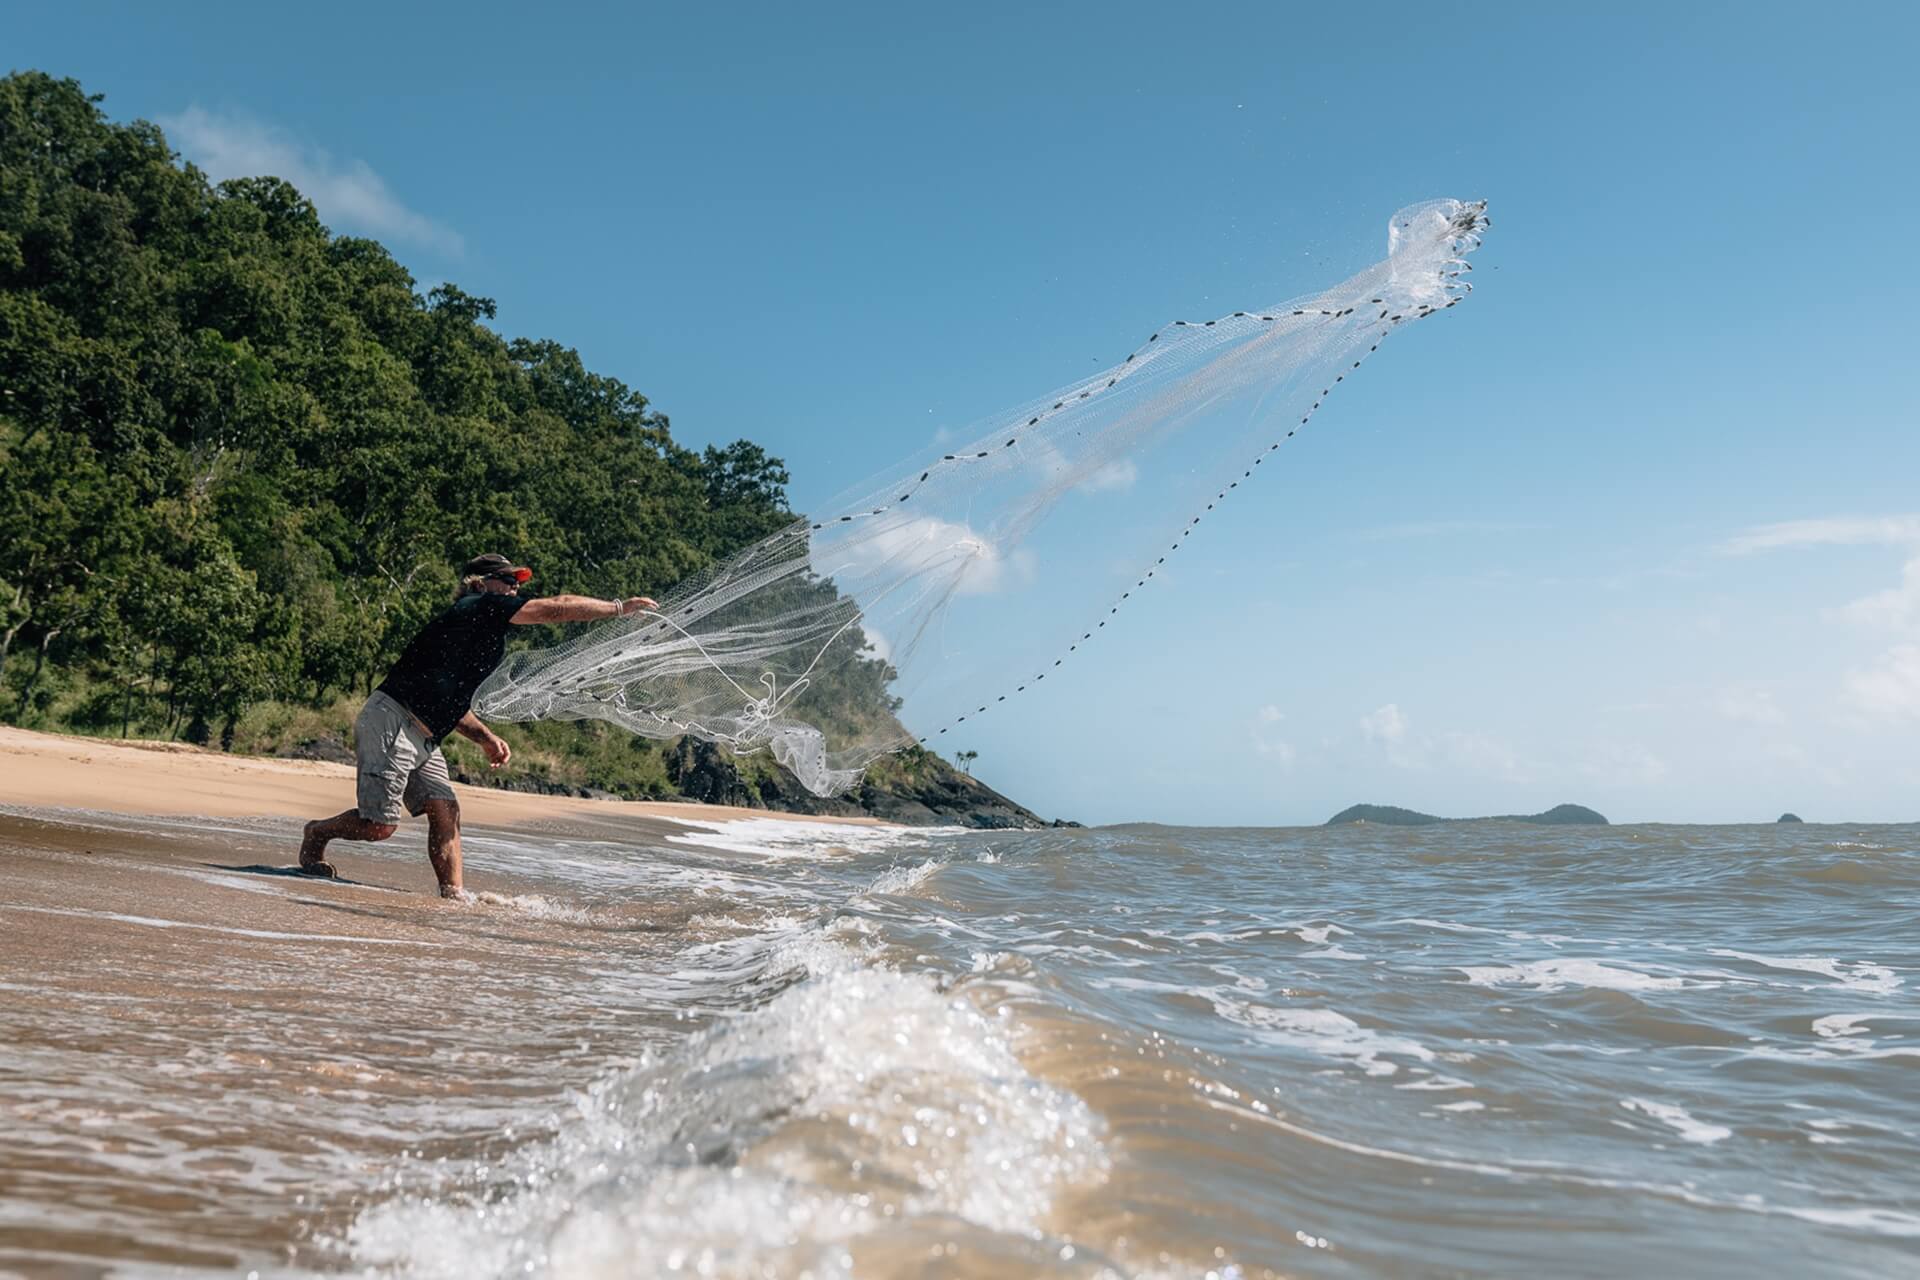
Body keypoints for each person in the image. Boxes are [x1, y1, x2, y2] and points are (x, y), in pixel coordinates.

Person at [297, 553, 655, 897]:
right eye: (509, 580)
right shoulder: (476, 606)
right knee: (379, 827)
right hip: (393, 719)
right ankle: (317, 833)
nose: (515, 588)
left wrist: (485, 738)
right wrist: (619, 609)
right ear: (482, 584)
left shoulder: (481, 628)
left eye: (518, 582)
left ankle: (453, 897)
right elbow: (557, 607)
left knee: (445, 809)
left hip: (426, 736)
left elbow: (451, 703)